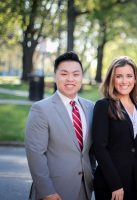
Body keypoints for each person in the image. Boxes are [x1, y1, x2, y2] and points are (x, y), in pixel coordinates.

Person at [25, 51, 95, 200]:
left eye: (76, 74)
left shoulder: (91, 108)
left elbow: (91, 151)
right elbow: (35, 154)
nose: (70, 79)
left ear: (82, 77)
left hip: (85, 189)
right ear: (55, 76)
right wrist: (47, 191)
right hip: (54, 190)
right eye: (64, 74)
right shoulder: (41, 109)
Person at [92, 56, 137, 200]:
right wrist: (115, 184)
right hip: (111, 184)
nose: (124, 81)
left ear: (135, 79)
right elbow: (99, 147)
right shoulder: (103, 106)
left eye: (129, 76)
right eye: (119, 76)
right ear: (112, 79)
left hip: (136, 183)